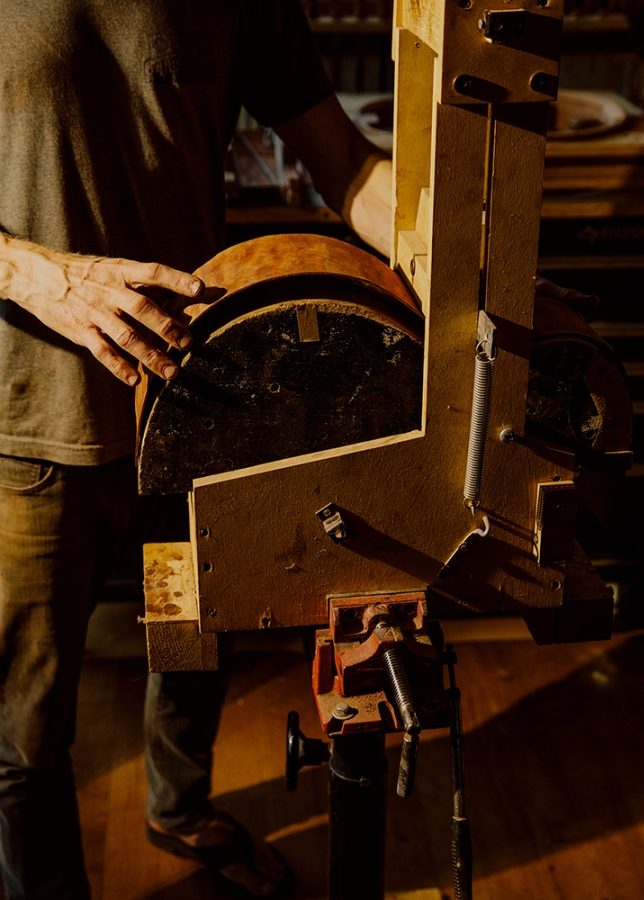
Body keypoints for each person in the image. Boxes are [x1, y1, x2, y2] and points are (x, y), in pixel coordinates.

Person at [0, 3, 391, 899]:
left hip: (196, 392)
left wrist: (472, 268)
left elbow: (343, 157)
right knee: (25, 718)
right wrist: (36, 273)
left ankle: (178, 809)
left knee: (195, 641)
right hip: (28, 407)